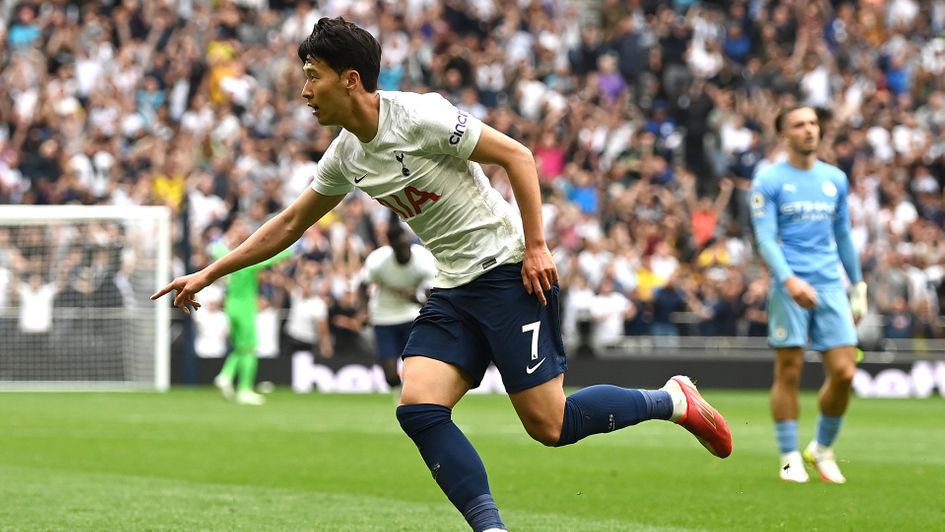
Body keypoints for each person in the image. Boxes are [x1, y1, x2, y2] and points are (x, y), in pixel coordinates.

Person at [152, 18, 732, 531]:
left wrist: (536, 246)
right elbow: (288, 225)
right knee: (419, 408)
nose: (304, 90)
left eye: (313, 74)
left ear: (350, 79)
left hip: (507, 270)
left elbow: (518, 157)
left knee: (550, 426)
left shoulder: (421, 115)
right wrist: (208, 272)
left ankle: (672, 400)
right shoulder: (346, 154)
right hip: (455, 285)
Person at [750, 105, 868, 484]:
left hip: (831, 285)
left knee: (845, 373)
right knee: (790, 371)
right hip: (790, 285)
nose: (809, 130)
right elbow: (766, 238)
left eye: (814, 123)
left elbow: (844, 235)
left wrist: (859, 284)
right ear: (784, 134)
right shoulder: (768, 179)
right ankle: (788, 457)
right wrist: (788, 280)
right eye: (799, 125)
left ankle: (822, 448)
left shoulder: (835, 178)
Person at [210, 218, 293, 406]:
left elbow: (214, 246)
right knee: (250, 348)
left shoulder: (225, 255)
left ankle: (225, 376)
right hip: (245, 307)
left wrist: (227, 236)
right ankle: (245, 389)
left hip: (231, 305)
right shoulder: (248, 259)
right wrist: (292, 248)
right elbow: (273, 257)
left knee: (240, 346)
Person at [360, 226, 437, 395]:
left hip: (411, 316)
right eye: (399, 247)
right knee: (389, 375)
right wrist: (364, 312)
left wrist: (417, 300)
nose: (404, 251)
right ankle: (401, 396)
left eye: (406, 245)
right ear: (391, 246)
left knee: (415, 369)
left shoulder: (423, 259)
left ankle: (412, 403)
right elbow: (362, 286)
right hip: (383, 317)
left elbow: (430, 298)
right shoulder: (378, 260)